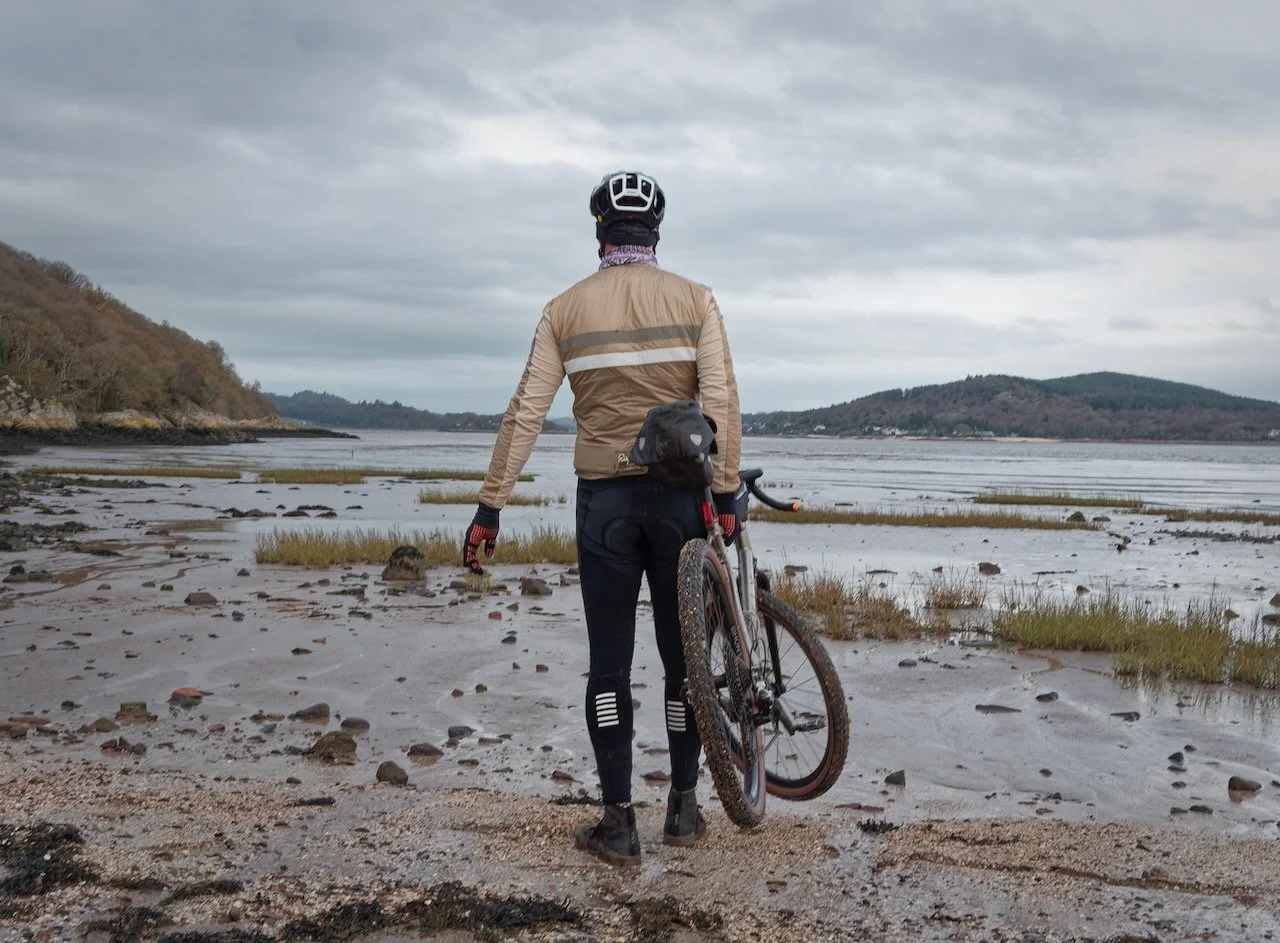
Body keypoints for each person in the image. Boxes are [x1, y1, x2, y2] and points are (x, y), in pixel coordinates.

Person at [463, 170, 742, 867]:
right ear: (656, 232)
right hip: (681, 503)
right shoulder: (696, 300)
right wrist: (726, 495)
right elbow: (722, 401)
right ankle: (684, 808)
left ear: (599, 233)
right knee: (685, 663)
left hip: (605, 505)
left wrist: (490, 505)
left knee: (609, 665)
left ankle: (618, 823)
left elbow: (526, 412)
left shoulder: (563, 310)